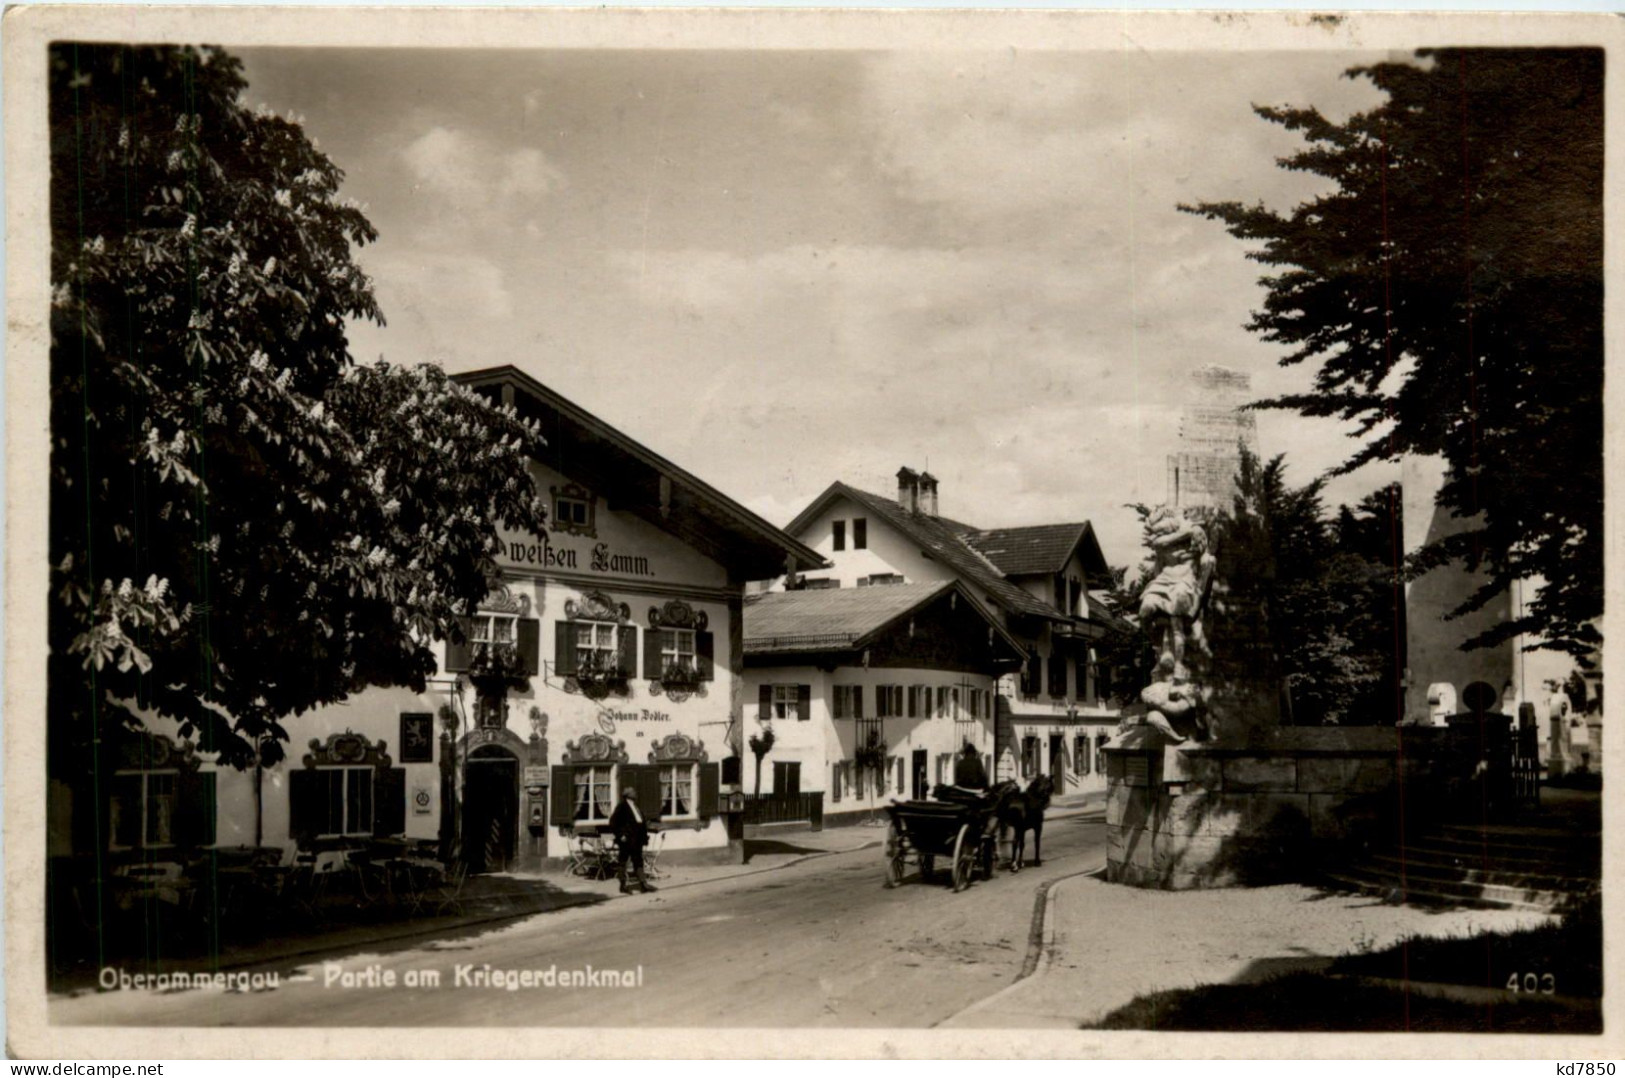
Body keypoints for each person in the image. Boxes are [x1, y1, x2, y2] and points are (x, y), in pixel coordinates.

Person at [609, 785, 654, 894]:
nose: (636, 793)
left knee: (638, 861)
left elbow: (639, 821)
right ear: (628, 795)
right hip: (626, 839)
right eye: (633, 792)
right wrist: (621, 835)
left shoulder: (635, 806)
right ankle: (623, 885)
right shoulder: (622, 806)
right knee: (623, 862)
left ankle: (643, 884)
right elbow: (613, 823)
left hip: (637, 839)